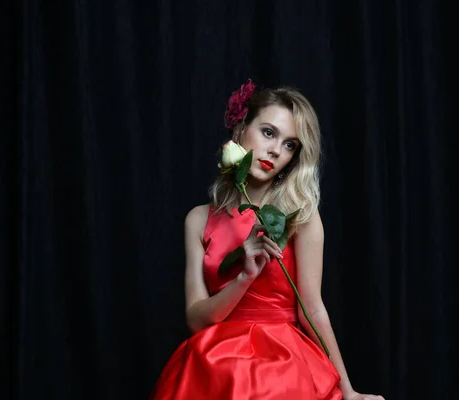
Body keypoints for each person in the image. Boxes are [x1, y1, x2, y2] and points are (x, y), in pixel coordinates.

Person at [149, 80, 384, 400]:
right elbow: (196, 320)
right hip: (216, 366)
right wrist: (244, 277)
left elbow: (311, 309)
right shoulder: (199, 219)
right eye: (269, 132)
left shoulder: (300, 215)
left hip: (285, 366)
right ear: (240, 129)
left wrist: (349, 390)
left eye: (290, 145)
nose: (275, 150)